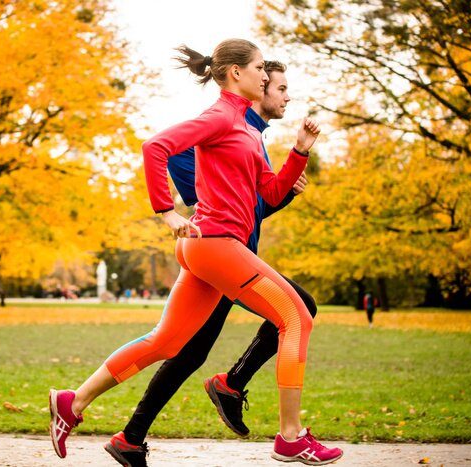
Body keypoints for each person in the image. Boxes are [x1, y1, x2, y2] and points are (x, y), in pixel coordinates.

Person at [49, 39, 342, 465]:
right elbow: (156, 147)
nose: (266, 75)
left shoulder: (245, 127)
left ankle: (72, 403)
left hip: (210, 248)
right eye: (261, 68)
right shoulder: (220, 116)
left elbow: (270, 191)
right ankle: (291, 436)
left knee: (167, 342)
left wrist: (299, 152)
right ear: (235, 73)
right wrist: (166, 212)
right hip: (216, 243)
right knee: (296, 317)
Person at [103, 59, 318, 467]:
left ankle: (133, 438)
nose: (286, 96)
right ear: (259, 86)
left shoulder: (253, 138)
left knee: (189, 351)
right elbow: (208, 204)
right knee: (290, 313)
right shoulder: (217, 131)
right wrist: (167, 210)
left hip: (237, 255)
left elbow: (253, 208)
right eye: (279, 87)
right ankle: (227, 389)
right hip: (216, 256)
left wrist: (284, 188)